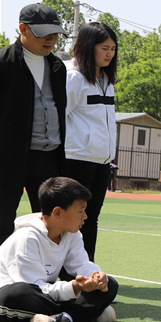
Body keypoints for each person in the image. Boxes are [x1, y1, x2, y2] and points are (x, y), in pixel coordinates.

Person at [0, 177, 117, 322]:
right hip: (14, 294)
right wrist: (74, 288)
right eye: (80, 210)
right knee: (17, 294)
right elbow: (33, 287)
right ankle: (84, 315)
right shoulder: (26, 239)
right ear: (58, 212)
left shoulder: (72, 233)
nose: (85, 217)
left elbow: (81, 264)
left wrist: (96, 275)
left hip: (44, 292)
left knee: (110, 285)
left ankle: (59, 320)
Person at [0, 4, 69, 244]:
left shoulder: (58, 67)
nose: (52, 38)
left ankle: (45, 276)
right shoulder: (3, 63)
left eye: (55, 32)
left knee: (51, 222)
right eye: (44, 32)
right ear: (23, 29)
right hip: (8, 159)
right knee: (2, 219)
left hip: (48, 159)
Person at [62, 22, 118, 262]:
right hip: (76, 160)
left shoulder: (106, 79)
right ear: (87, 46)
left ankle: (87, 269)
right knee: (69, 218)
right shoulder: (73, 76)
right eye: (105, 47)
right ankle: (62, 272)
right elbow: (58, 118)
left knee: (91, 217)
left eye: (113, 49)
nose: (110, 54)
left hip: (102, 161)